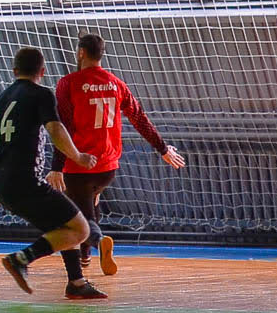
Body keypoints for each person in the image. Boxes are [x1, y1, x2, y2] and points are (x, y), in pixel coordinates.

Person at [0, 47, 108, 299]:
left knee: (64, 227)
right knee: (81, 230)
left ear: (14, 71)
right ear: (42, 72)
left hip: (2, 185)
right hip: (27, 182)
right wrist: (78, 156)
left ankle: (77, 283)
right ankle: (21, 259)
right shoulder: (41, 94)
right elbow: (56, 129)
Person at [46, 32, 186, 274]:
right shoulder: (116, 83)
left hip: (78, 165)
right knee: (89, 205)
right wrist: (162, 148)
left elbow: (63, 125)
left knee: (77, 216)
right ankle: (85, 258)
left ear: (80, 53)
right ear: (101, 54)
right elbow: (139, 118)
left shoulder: (69, 82)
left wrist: (56, 165)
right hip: (107, 168)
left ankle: (99, 243)